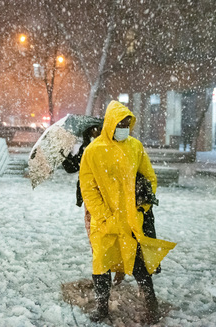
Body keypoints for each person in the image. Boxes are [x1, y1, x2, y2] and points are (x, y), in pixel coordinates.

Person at [79, 100, 176, 323]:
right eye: (120, 123)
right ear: (110, 124)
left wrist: (143, 205)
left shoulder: (135, 147)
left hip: (133, 219)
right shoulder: (93, 151)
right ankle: (102, 307)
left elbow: (150, 177)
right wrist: (104, 216)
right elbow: (88, 188)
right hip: (105, 223)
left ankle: (151, 307)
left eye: (126, 123)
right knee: (102, 266)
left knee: (140, 266)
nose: (123, 127)